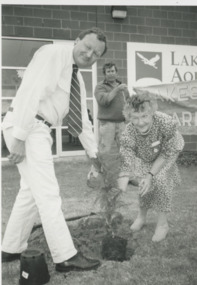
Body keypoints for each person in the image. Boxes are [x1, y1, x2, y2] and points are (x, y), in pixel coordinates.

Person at [1, 27, 107, 272]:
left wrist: (94, 158)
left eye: (96, 53)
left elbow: (82, 122)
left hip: (38, 130)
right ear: (76, 40)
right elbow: (31, 90)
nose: (90, 54)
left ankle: (10, 248)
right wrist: (19, 136)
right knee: (48, 193)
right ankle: (65, 256)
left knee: (29, 193)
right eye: (87, 46)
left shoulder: (76, 77)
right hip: (28, 126)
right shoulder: (54, 53)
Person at [117, 93, 184, 242]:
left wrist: (150, 175)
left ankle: (163, 224)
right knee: (143, 184)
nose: (140, 122)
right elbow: (127, 158)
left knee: (159, 181)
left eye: (144, 116)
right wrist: (121, 185)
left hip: (167, 152)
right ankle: (141, 217)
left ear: (152, 112)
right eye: (135, 117)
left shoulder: (166, 123)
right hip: (146, 155)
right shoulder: (128, 132)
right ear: (129, 117)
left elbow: (167, 152)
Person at [94, 62, 129, 158]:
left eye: (113, 71)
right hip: (107, 124)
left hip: (122, 123)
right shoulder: (100, 86)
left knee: (125, 150)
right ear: (104, 74)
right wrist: (117, 89)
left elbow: (128, 102)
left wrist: (129, 117)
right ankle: (100, 171)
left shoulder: (122, 86)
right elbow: (104, 101)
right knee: (104, 151)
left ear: (117, 73)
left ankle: (124, 171)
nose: (111, 73)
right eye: (108, 71)